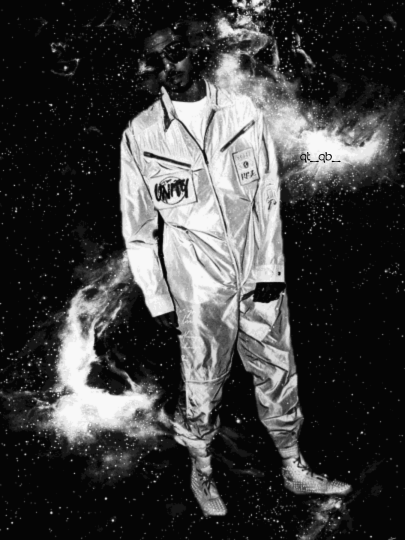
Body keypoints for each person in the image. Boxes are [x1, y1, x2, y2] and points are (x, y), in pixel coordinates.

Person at [120, 24, 351, 517]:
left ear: (192, 53)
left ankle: (294, 467)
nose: (169, 69)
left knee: (277, 370)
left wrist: (269, 267)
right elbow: (137, 228)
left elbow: (267, 194)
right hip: (198, 283)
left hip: (257, 270)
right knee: (202, 382)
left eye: (175, 55)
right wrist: (159, 297)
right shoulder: (141, 134)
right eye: (156, 61)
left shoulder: (242, 111)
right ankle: (202, 470)